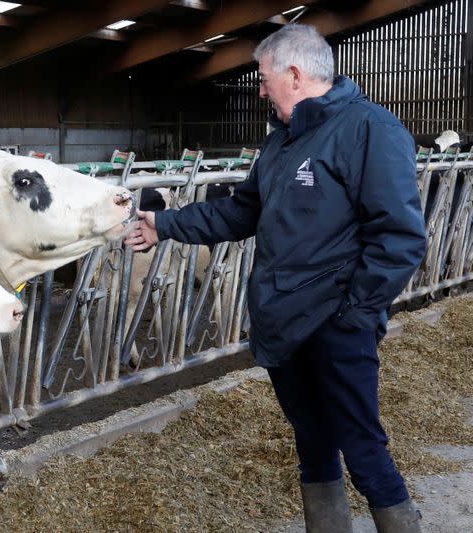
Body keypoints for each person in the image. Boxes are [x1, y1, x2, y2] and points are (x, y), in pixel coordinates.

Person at [125, 24, 426, 533]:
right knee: (310, 440)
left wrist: (355, 314)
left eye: (264, 79)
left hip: (336, 323)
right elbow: (242, 212)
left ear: (294, 73)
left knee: (361, 444)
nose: (260, 90)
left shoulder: (370, 129)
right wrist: (167, 224)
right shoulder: (282, 141)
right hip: (283, 320)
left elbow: (399, 236)